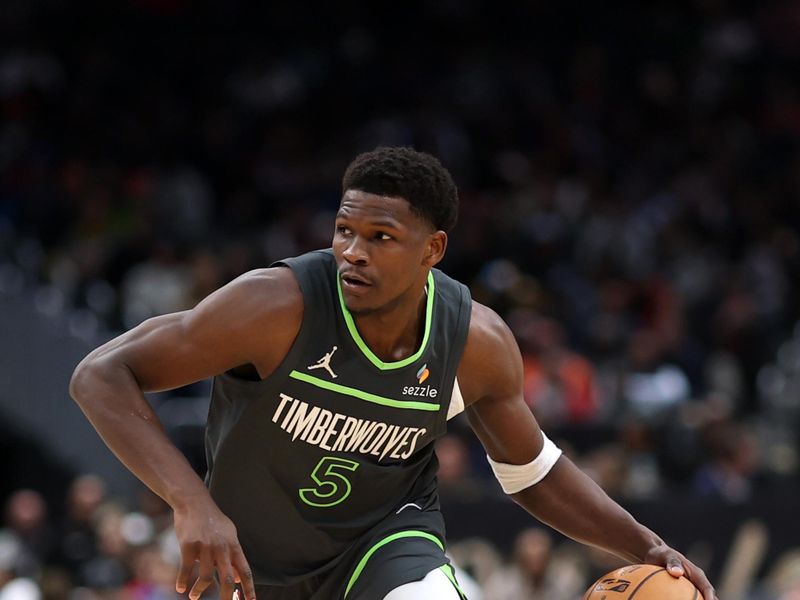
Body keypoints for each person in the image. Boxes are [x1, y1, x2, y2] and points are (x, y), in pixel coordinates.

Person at [70, 147, 717, 600]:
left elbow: (532, 473)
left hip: (384, 545)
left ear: (432, 249)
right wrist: (192, 504)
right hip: (252, 562)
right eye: (344, 229)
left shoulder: (475, 341)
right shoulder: (273, 306)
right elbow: (101, 374)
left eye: (380, 237)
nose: (352, 250)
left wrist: (643, 543)